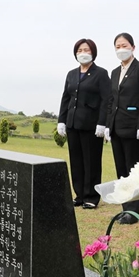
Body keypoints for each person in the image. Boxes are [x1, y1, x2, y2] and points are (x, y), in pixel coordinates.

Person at [105, 32, 139, 225]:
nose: (120, 49)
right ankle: (124, 208)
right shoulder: (115, 72)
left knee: (134, 170)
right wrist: (108, 125)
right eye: (117, 46)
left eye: (124, 45)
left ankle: (133, 211)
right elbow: (111, 101)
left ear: (133, 47)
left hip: (134, 127)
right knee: (121, 170)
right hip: (117, 127)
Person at [57, 38, 111, 209]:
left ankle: (91, 197)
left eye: (86, 50)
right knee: (76, 161)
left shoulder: (101, 73)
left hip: (92, 125)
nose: (83, 53)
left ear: (93, 52)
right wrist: (61, 120)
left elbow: (106, 100)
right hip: (73, 124)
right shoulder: (71, 74)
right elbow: (65, 98)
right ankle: (79, 194)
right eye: (80, 50)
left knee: (91, 161)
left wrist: (103, 123)